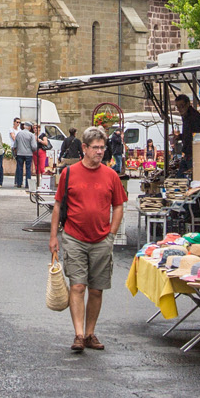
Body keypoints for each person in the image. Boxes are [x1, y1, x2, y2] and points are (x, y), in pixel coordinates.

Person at [50, 128, 126, 352]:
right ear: (84, 148)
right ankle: (79, 334)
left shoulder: (111, 175)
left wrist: (112, 233)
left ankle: (91, 332)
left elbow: (119, 205)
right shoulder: (69, 173)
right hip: (74, 237)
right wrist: (54, 236)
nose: (100, 152)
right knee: (78, 286)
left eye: (102, 148)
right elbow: (57, 205)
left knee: (96, 289)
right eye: (96, 148)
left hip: (101, 239)